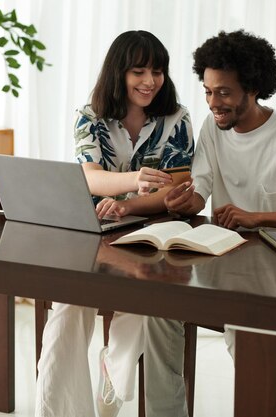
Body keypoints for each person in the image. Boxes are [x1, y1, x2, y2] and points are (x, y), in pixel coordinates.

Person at [35, 30, 194, 417]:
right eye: (138, 71)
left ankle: (113, 386)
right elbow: (88, 177)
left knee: (142, 300)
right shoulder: (89, 117)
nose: (149, 81)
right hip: (94, 234)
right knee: (68, 309)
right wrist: (133, 181)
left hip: (150, 235)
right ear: (118, 73)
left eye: (157, 71)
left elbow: (176, 184)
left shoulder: (177, 118)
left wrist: (129, 205)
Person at [163, 29, 276, 360]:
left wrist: (256, 217)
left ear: (253, 88)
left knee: (246, 328)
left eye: (223, 92)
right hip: (227, 269)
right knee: (157, 307)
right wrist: (184, 200)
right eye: (207, 92)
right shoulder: (211, 129)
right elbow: (200, 188)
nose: (213, 103)